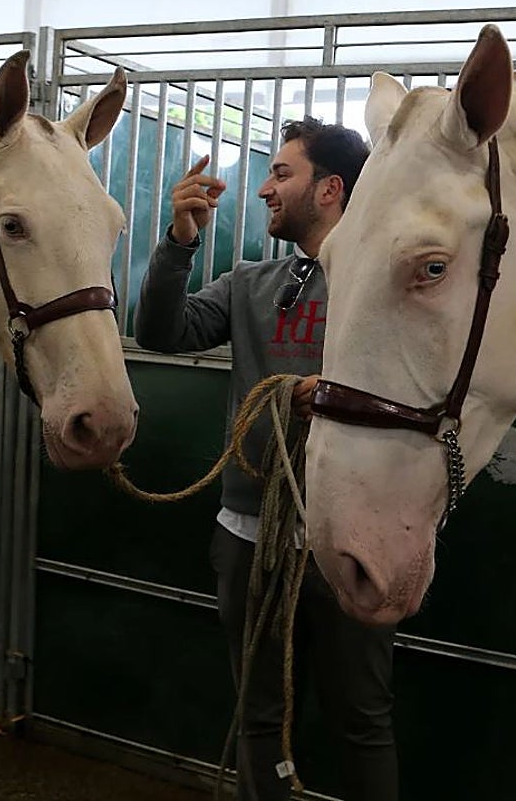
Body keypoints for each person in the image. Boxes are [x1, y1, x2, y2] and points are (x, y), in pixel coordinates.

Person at [134, 117, 397, 801]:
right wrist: (179, 240)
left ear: (331, 189)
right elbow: (163, 332)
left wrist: (337, 396)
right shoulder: (253, 280)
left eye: (282, 174)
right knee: (259, 715)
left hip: (349, 539)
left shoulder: (388, 282)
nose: (262, 189)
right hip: (248, 534)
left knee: (360, 720)